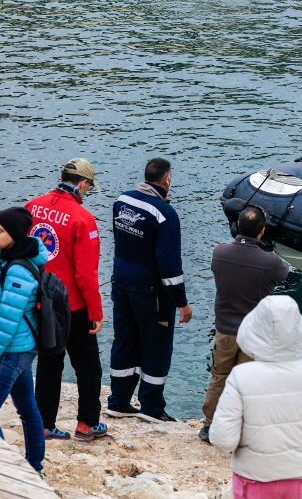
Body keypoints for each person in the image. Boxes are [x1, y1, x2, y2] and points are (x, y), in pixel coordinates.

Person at [210, 295, 302, 499]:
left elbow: (223, 440)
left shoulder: (241, 376)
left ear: (253, 330)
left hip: (254, 481)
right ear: (299, 328)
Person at [26, 158, 108, 442]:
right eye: (89, 187)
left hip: (41, 300)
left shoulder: (32, 206)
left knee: (49, 365)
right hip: (73, 306)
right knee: (88, 367)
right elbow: (86, 274)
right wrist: (96, 311)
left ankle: (44, 424)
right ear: (83, 183)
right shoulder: (82, 219)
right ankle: (87, 424)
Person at [108, 158, 192, 423]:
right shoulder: (165, 214)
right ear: (167, 180)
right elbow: (169, 265)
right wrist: (182, 302)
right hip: (151, 291)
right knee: (156, 345)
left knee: (124, 339)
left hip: (121, 283)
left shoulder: (122, 201)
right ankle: (151, 408)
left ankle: (118, 401)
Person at [200, 205, 289, 443]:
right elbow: (284, 273)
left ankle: (210, 425)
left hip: (225, 330)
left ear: (237, 226)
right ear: (262, 230)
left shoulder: (219, 253)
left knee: (219, 376)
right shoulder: (272, 262)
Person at [0, 207, 46, 474]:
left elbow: (5, 322)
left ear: (14, 234)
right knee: (27, 407)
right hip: (20, 347)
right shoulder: (8, 260)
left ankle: (6, 472)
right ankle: (35, 465)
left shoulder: (18, 271)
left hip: (12, 349)